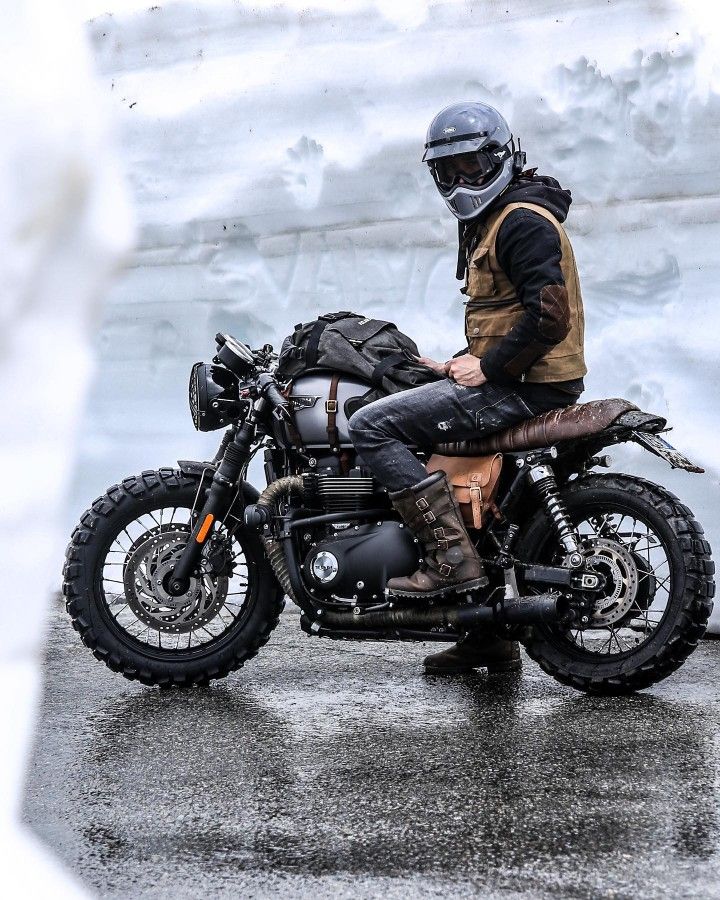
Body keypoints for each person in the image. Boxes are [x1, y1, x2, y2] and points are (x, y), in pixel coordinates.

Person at [347, 101, 586, 674]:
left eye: (472, 167)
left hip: (527, 386)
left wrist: (493, 369)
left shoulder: (521, 219)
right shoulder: (498, 216)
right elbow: (508, 312)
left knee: (370, 424)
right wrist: (459, 362)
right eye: (448, 172)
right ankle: (487, 635)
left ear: (502, 158)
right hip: (518, 377)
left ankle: (449, 562)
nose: (461, 182)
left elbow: (548, 315)